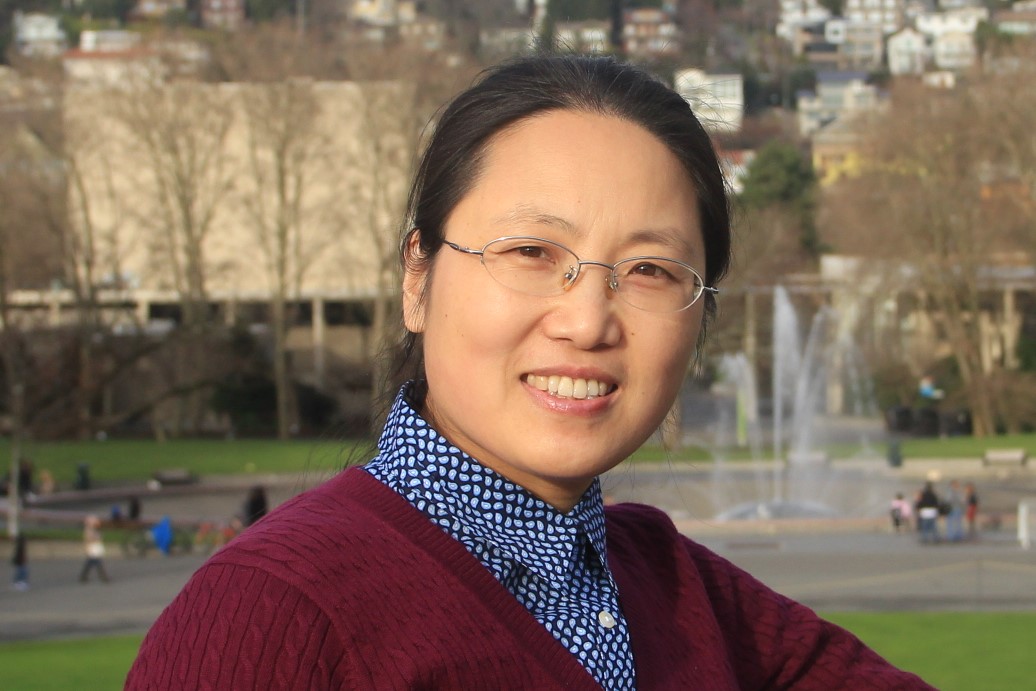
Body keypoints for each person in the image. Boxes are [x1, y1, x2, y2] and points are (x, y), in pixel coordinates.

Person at [127, 55, 933, 689]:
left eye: (650, 270)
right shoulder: (274, 618)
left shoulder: (675, 587)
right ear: (418, 277)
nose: (587, 321)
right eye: (531, 253)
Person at [79, 514, 110, 583]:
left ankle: (83, 576)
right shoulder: (89, 530)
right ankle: (104, 576)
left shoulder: (95, 530)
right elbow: (89, 539)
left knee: (91, 562)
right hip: (92, 547)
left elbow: (99, 537)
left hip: (96, 546)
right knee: (98, 562)